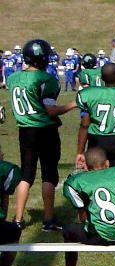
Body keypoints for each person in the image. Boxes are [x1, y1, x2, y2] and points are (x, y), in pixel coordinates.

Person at [8, 39, 77, 231]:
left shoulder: (13, 78)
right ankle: (48, 220)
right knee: (49, 174)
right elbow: (50, 110)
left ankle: (18, 219)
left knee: (26, 174)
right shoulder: (46, 79)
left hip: (25, 130)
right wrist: (73, 104)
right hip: (45, 130)